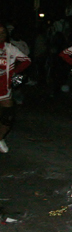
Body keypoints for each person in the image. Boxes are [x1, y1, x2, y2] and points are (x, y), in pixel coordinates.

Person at [0, 23, 32, 153]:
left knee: (8, 118)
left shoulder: (10, 48)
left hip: (4, 90)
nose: (1, 35)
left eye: (3, 32)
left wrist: (14, 72)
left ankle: (0, 138)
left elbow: (26, 60)